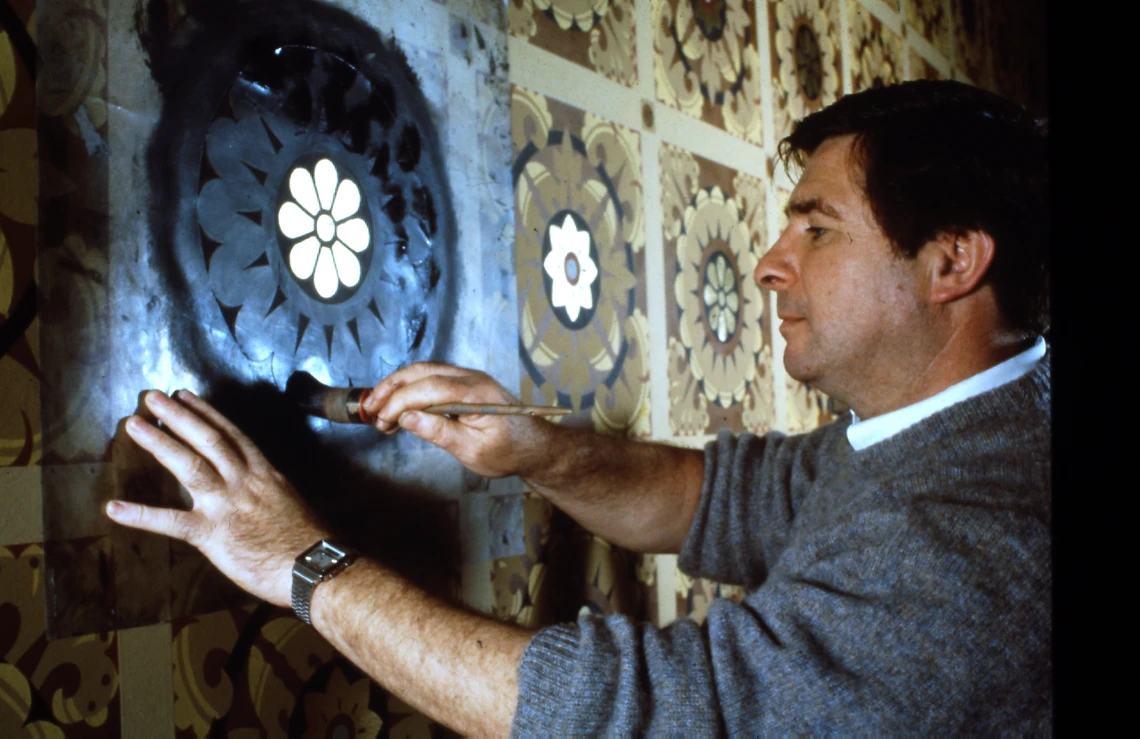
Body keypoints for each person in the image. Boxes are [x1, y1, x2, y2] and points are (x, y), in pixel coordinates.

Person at [105, 79, 1050, 733]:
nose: (769, 262)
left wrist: (300, 564)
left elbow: (652, 715)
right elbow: (714, 495)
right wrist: (540, 452)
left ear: (953, 262)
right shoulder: (940, 428)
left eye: (818, 228)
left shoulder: (974, 544)